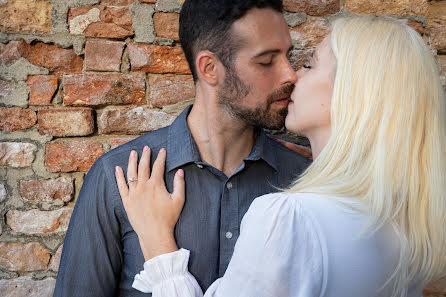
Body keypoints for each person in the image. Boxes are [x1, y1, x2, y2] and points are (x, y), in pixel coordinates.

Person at [115, 16, 446, 297]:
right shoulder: (403, 227)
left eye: (311, 64)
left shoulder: (290, 219)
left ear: (352, 92)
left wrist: (158, 244)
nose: (292, 77)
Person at [53, 1, 310, 296]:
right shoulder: (117, 179)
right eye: (266, 61)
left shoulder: (304, 181)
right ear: (210, 69)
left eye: (289, 57)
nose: (290, 75)